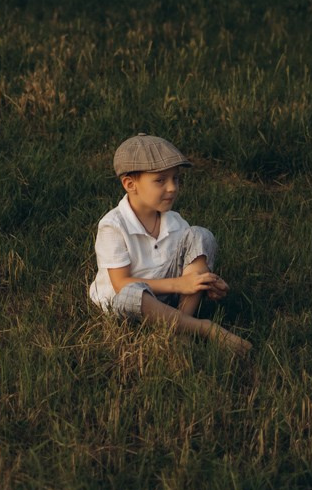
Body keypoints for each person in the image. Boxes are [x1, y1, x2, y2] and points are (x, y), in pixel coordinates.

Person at [89, 134, 252, 354]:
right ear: (130, 184)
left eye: (175, 179)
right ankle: (202, 328)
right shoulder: (113, 226)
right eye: (160, 180)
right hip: (130, 303)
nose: (172, 188)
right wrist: (181, 284)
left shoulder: (175, 221)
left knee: (201, 235)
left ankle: (180, 324)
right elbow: (121, 284)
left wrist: (207, 282)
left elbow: (189, 264)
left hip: (168, 295)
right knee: (129, 293)